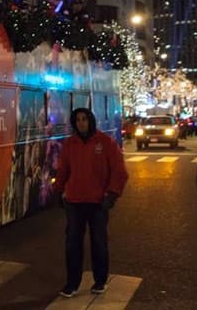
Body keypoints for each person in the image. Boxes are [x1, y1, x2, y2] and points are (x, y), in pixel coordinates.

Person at [55, 107, 129, 298]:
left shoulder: (105, 142)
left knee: (98, 242)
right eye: (78, 120)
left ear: (91, 121)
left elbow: (119, 171)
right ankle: (72, 283)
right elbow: (63, 170)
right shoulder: (70, 144)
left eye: (84, 119)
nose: (81, 123)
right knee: (72, 243)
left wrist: (112, 194)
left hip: (98, 202)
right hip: (74, 201)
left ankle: (100, 281)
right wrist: (58, 191)